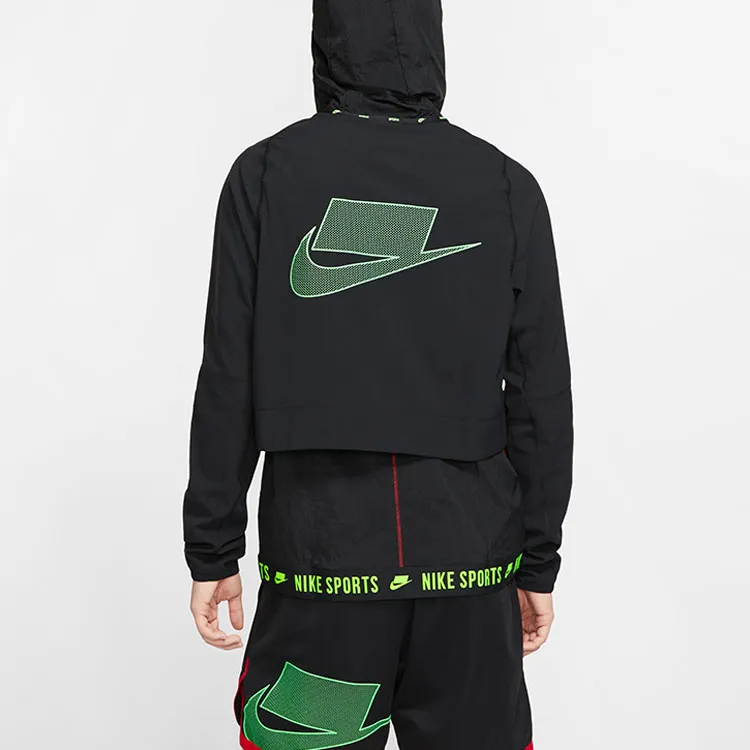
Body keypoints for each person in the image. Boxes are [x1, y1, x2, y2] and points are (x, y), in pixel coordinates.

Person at [183, 1, 573, 748]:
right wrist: (538, 561)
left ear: (327, 34)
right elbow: (541, 395)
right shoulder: (503, 185)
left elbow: (230, 372)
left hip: (324, 570)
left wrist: (213, 544)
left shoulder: (267, 175)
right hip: (469, 577)